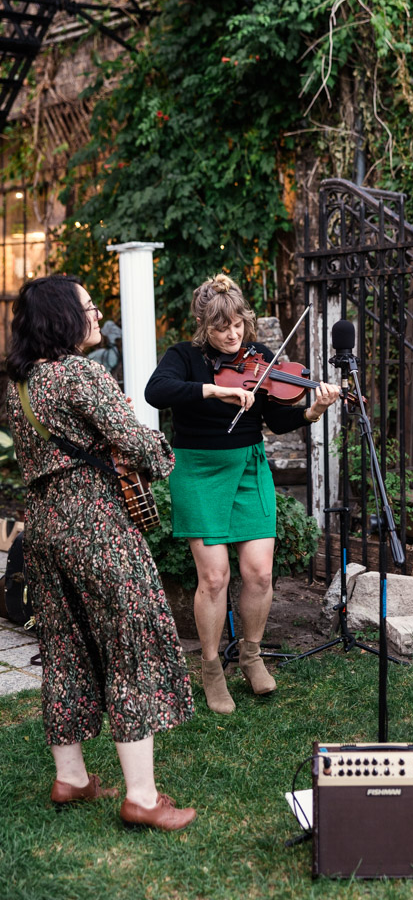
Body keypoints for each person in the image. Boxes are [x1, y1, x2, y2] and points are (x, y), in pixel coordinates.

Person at [5, 275, 196, 830]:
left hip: (42, 528)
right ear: (64, 317)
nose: (96, 314)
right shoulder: (80, 374)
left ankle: (73, 778)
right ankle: (141, 795)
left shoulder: (21, 384)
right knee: (131, 638)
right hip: (95, 524)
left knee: (62, 643)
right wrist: (157, 449)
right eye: (89, 307)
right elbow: (141, 446)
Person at [145, 274, 340, 714]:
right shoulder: (184, 358)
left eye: (238, 324)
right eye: (221, 327)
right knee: (214, 578)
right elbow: (156, 392)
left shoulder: (260, 359)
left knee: (259, 574)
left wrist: (314, 409)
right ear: (203, 325)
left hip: (249, 468)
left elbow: (278, 417)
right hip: (199, 470)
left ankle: (251, 656)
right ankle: (212, 668)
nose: (232, 335)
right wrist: (216, 389)